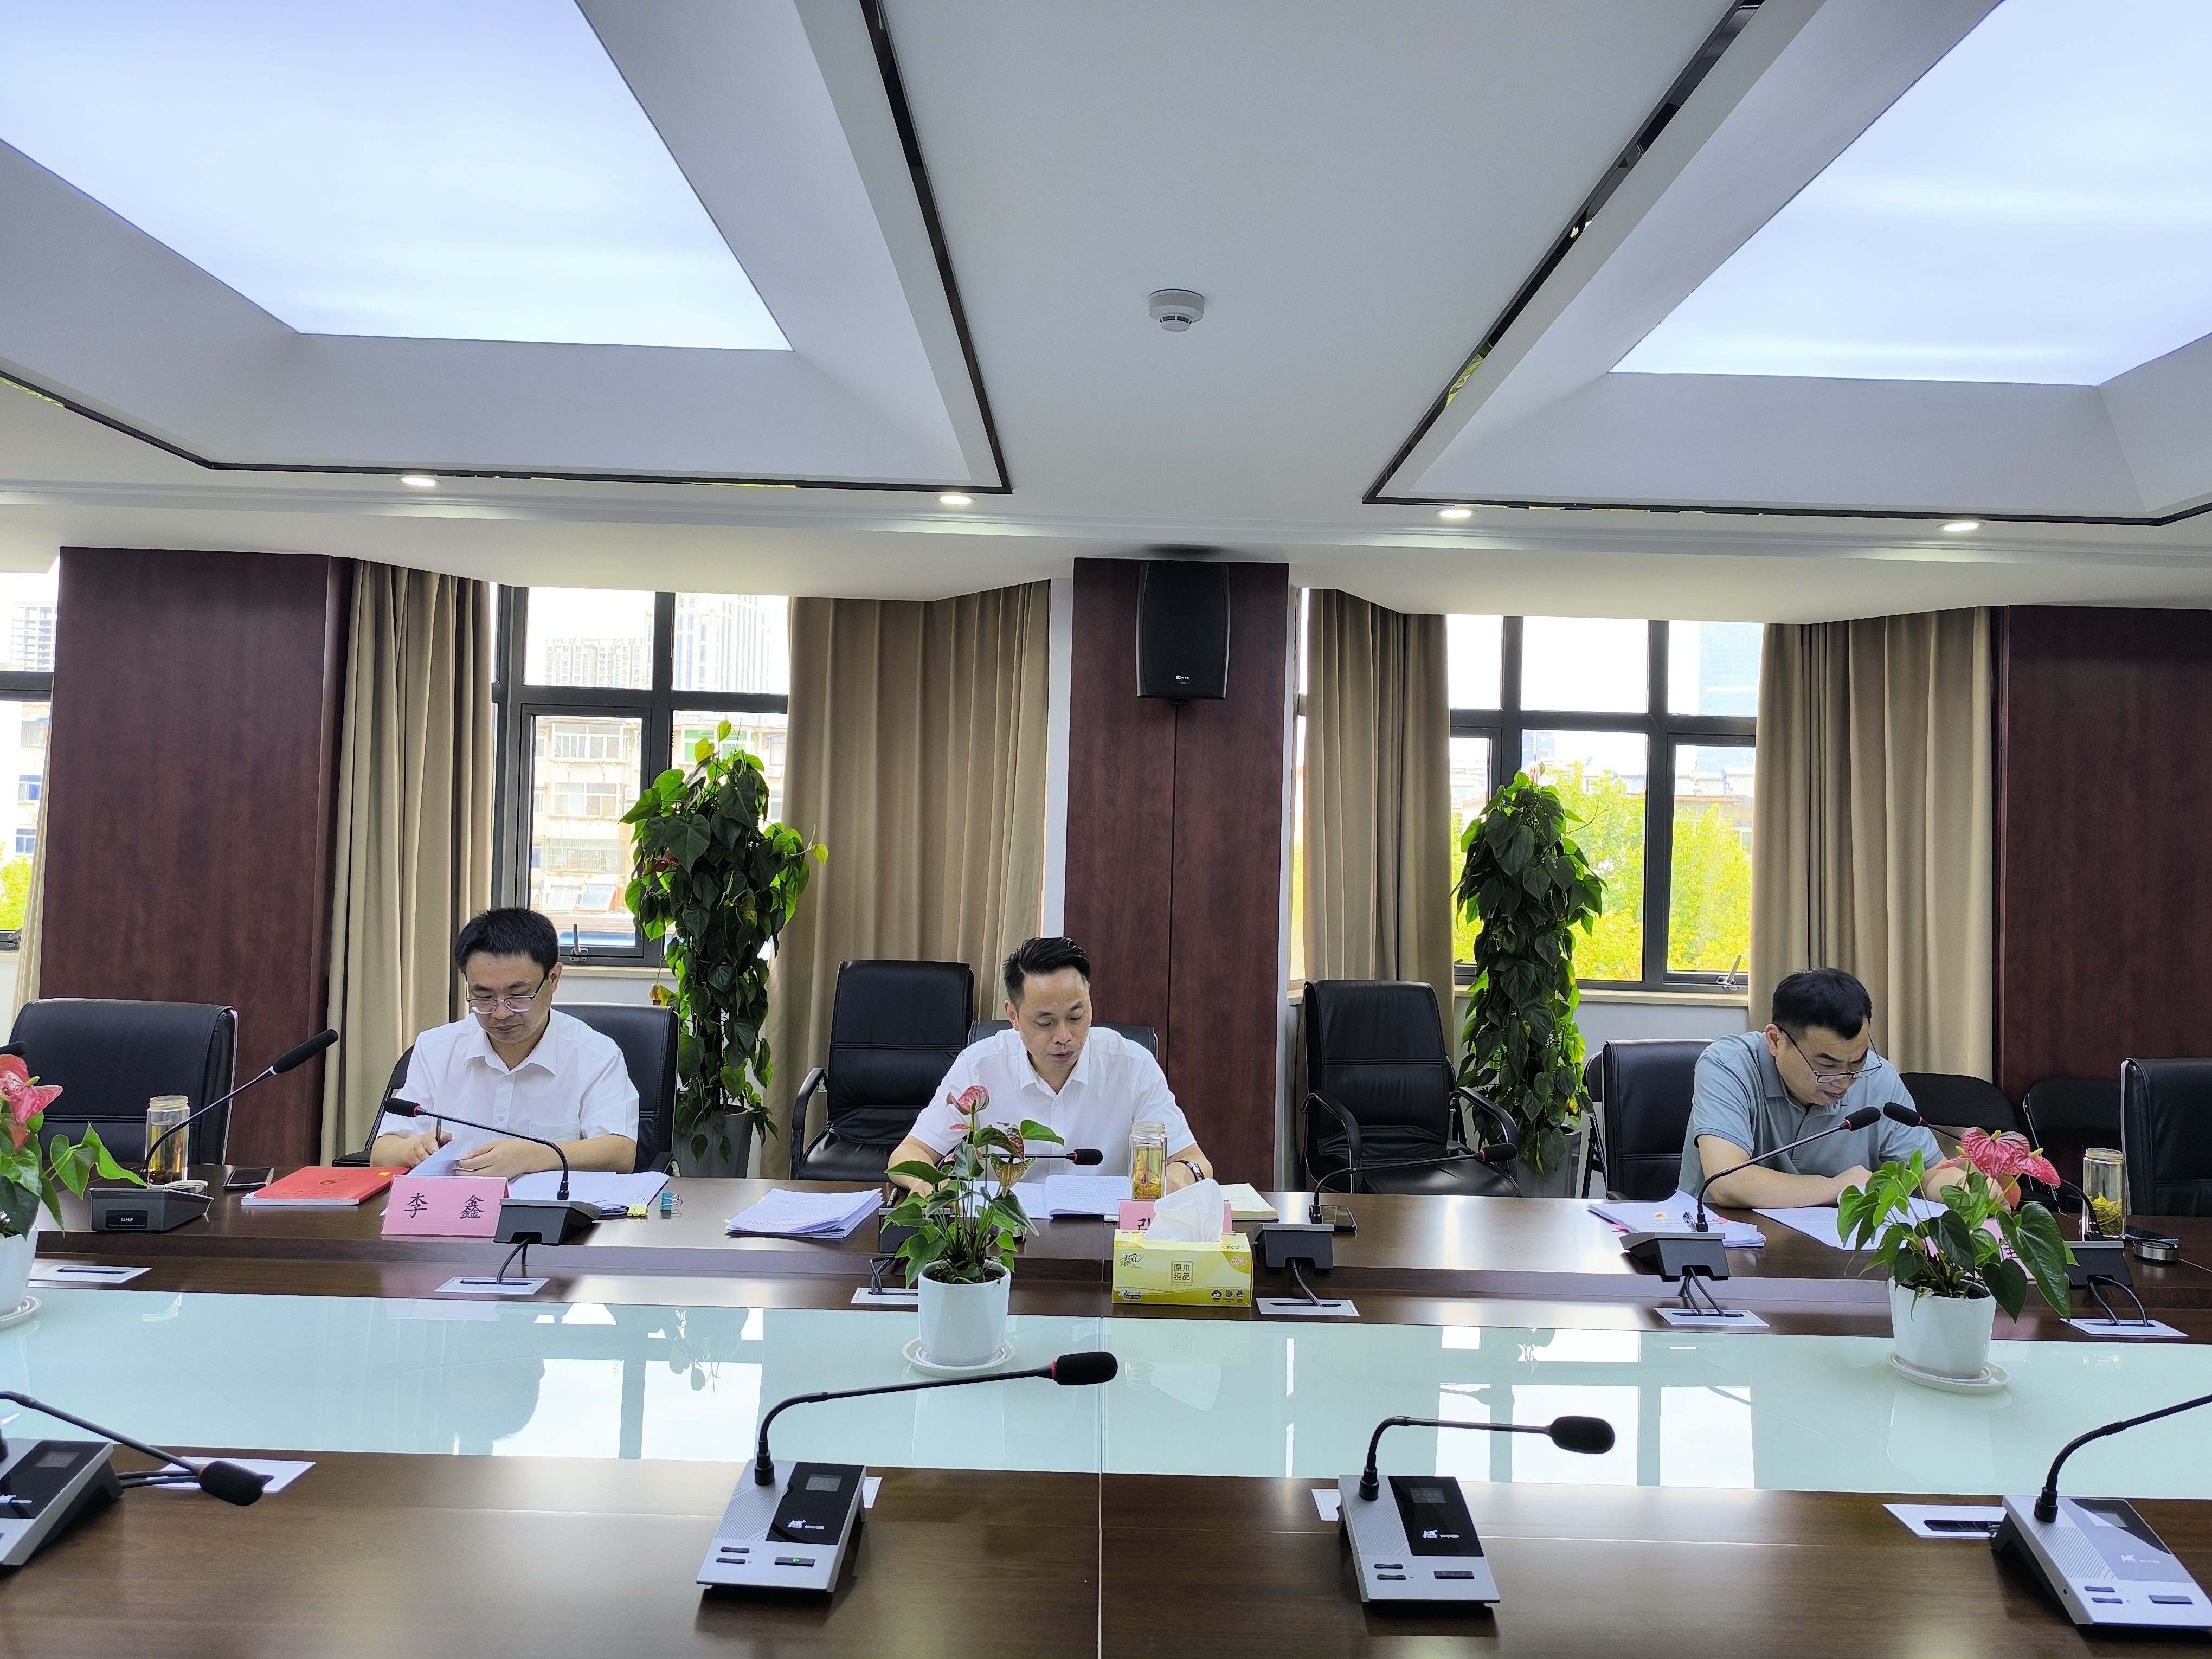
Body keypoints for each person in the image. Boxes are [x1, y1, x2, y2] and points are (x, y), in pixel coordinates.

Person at [885, 936, 1215, 1194]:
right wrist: (929, 1184)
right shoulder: (979, 1067)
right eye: (1045, 1023)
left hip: (1104, 1242)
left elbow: (1195, 1161)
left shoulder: (1133, 1066)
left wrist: (1182, 1174)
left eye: (1076, 1016)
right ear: (1013, 1016)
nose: (1064, 1037)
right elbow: (908, 1154)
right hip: (1001, 1242)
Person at [370, 907, 639, 1178]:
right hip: (452, 1201)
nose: (501, 1013)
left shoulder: (596, 1055)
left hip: (544, 1204)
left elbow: (621, 1153)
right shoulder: (435, 1049)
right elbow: (382, 1152)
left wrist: (532, 1156)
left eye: (518, 995)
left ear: (554, 978)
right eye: (484, 997)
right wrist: (412, 1149)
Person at [1680, 966, 1963, 1208]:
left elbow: (1931, 1176)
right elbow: (1728, 1183)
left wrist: (1967, 1189)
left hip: (1836, 1248)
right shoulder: (1729, 1065)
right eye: (1826, 1065)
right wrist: (1839, 1187)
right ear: (1776, 1040)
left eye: (1858, 1060)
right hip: (1727, 1242)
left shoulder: (1880, 1079)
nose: (1844, 1079)